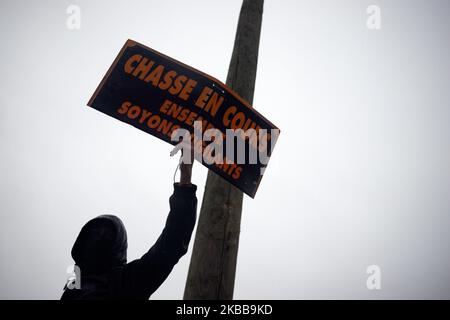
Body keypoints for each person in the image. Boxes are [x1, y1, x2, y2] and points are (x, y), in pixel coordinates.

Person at [61, 155, 196, 300]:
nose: (99, 236)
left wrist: (185, 176)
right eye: (93, 233)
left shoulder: (126, 281)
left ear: (117, 246)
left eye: (107, 234)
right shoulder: (72, 289)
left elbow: (171, 245)